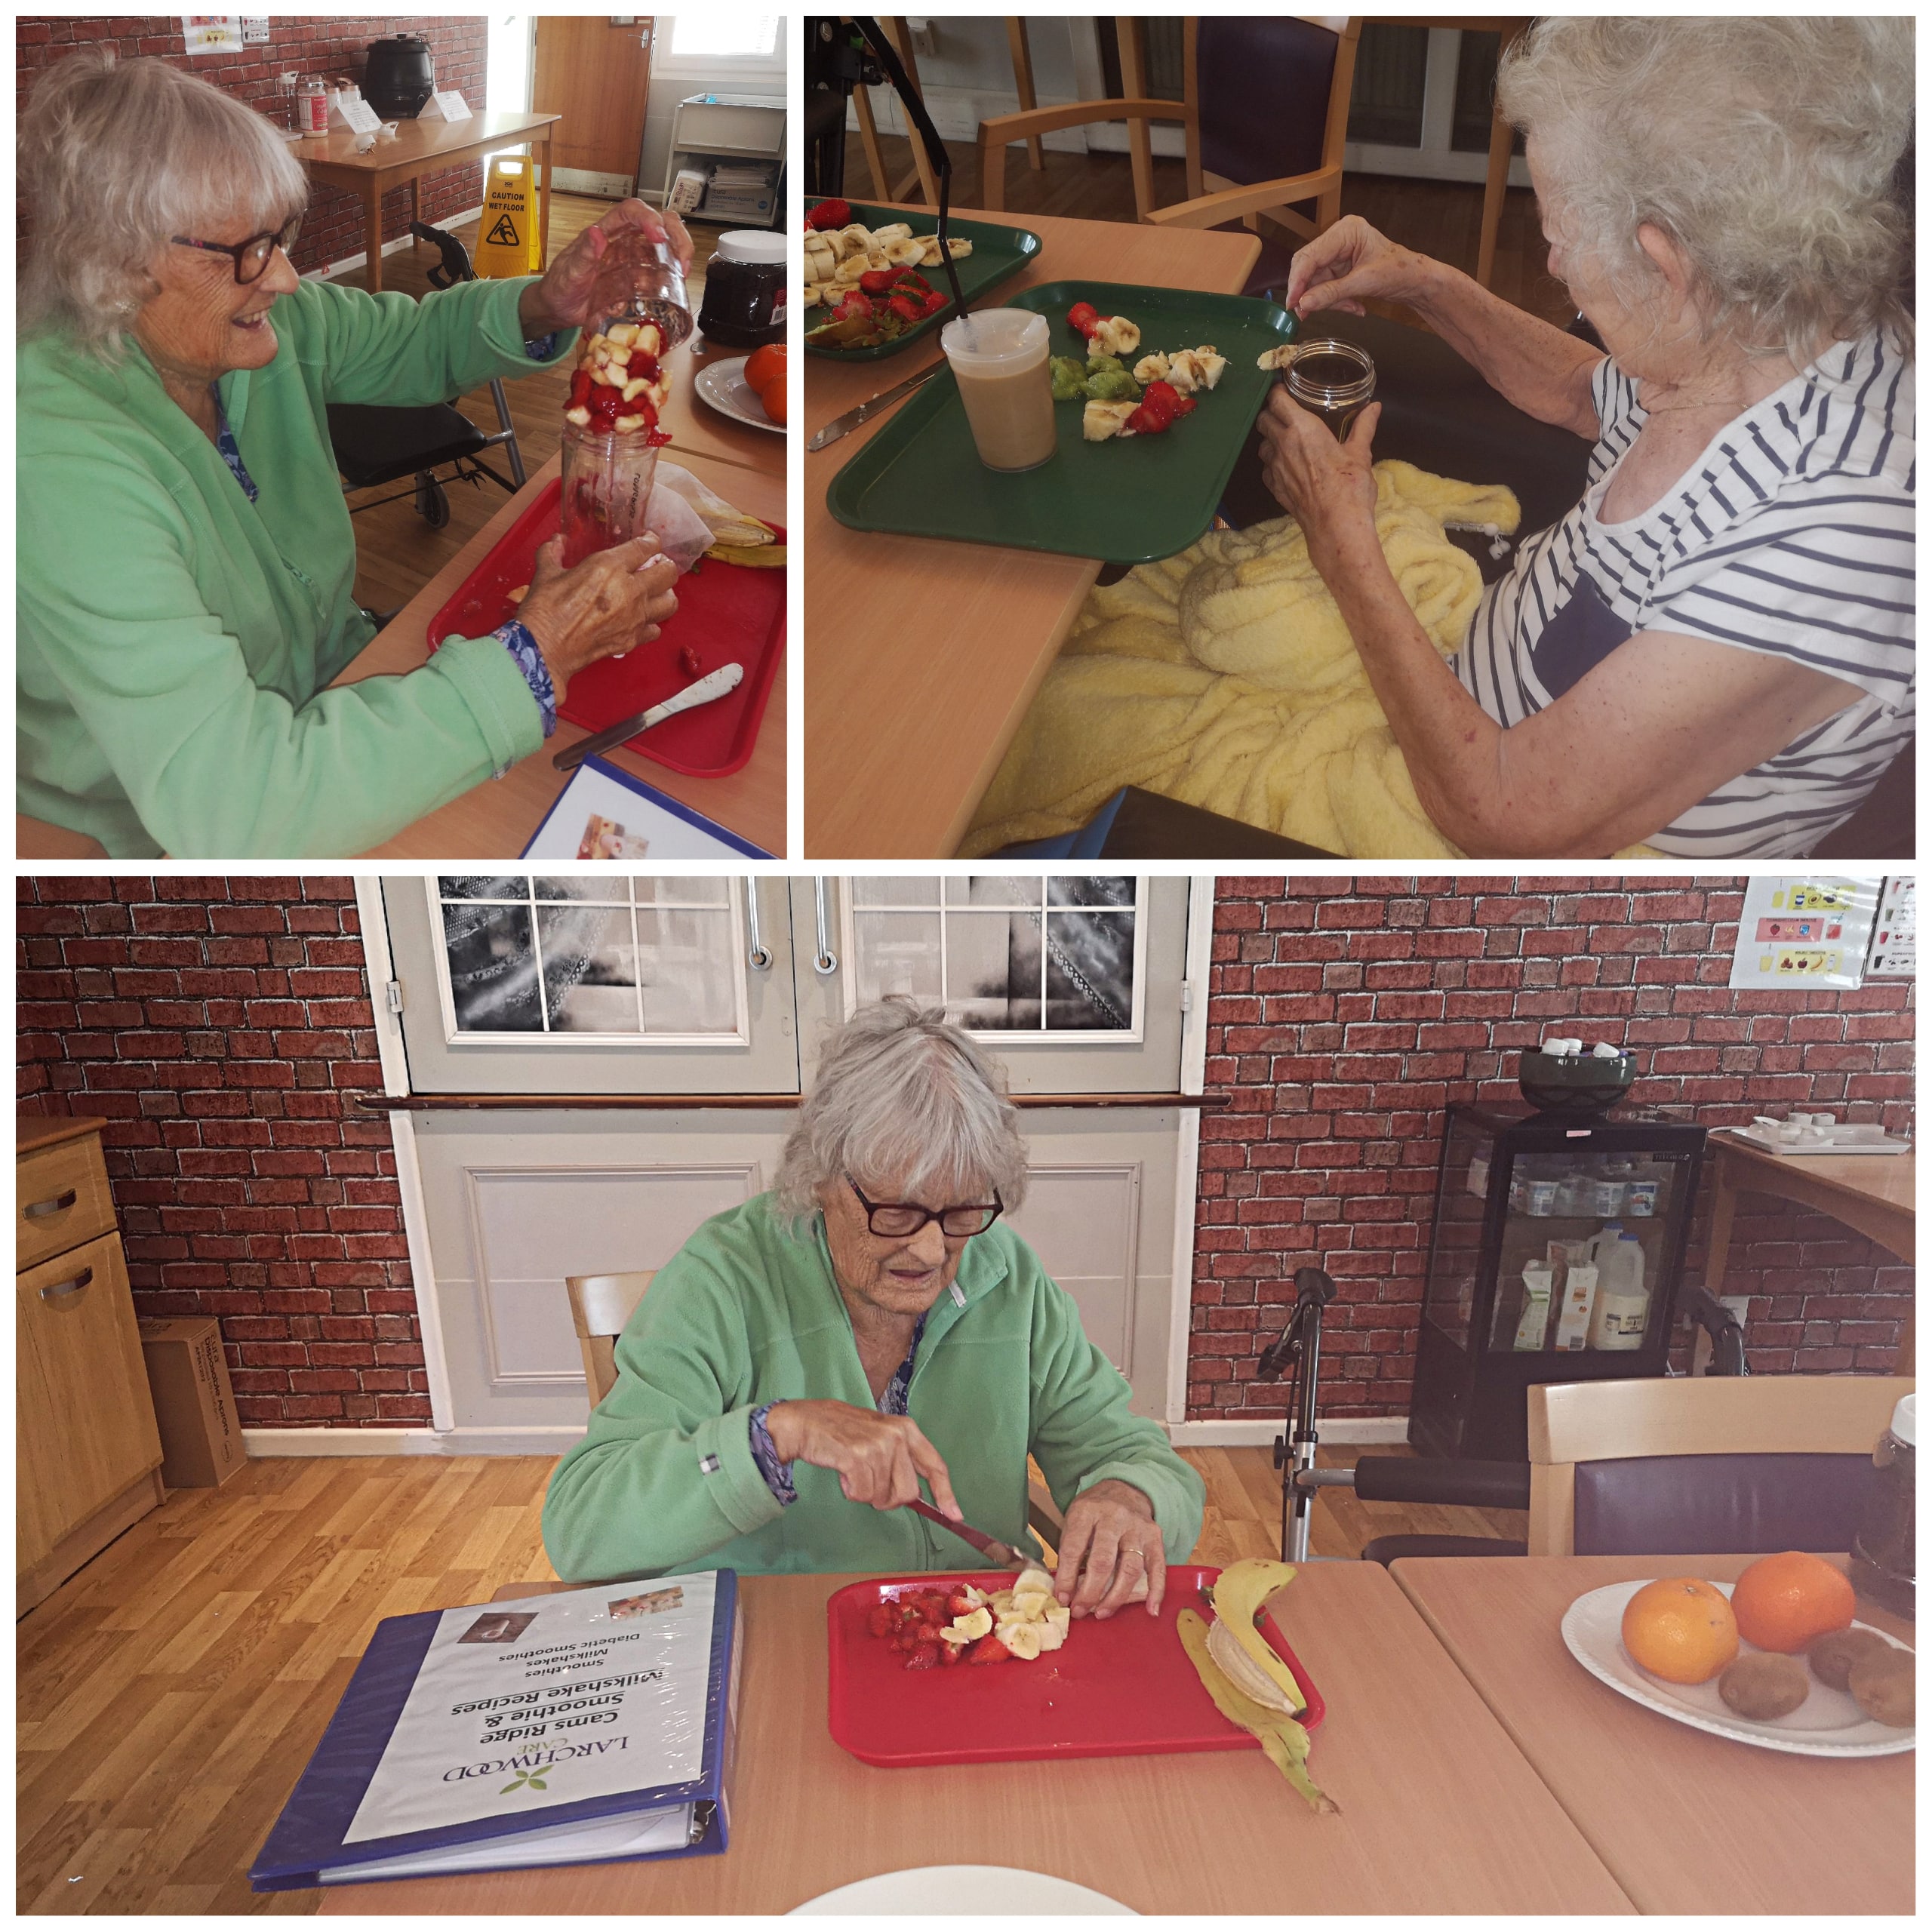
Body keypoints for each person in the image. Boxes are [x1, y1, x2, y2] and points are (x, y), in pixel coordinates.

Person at [1256, 17, 1913, 859]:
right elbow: (1578, 389)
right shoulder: (1766, 320)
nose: (1555, 266)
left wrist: (1339, 536)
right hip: (1465, 677)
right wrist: (1425, 285)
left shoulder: (1841, 541)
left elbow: (1505, 813)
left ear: (1671, 271)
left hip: (1506, 835)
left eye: (1556, 240)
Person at [17, 51, 688, 857]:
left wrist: (547, 300)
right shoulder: (55, 460)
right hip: (154, 822)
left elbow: (414, 339)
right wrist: (536, 653)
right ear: (114, 266)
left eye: (283, 238)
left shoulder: (253, 329)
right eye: (247, 252)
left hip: (334, 691)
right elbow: (242, 803)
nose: (289, 279)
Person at [544, 1001, 1204, 1620]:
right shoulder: (724, 1278)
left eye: (960, 1210)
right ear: (820, 1178)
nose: (931, 1247)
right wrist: (774, 1435)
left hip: (966, 1638)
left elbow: (1133, 1454)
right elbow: (581, 1526)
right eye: (897, 1210)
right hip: (782, 1640)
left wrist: (1127, 1496)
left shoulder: (1006, 1277)